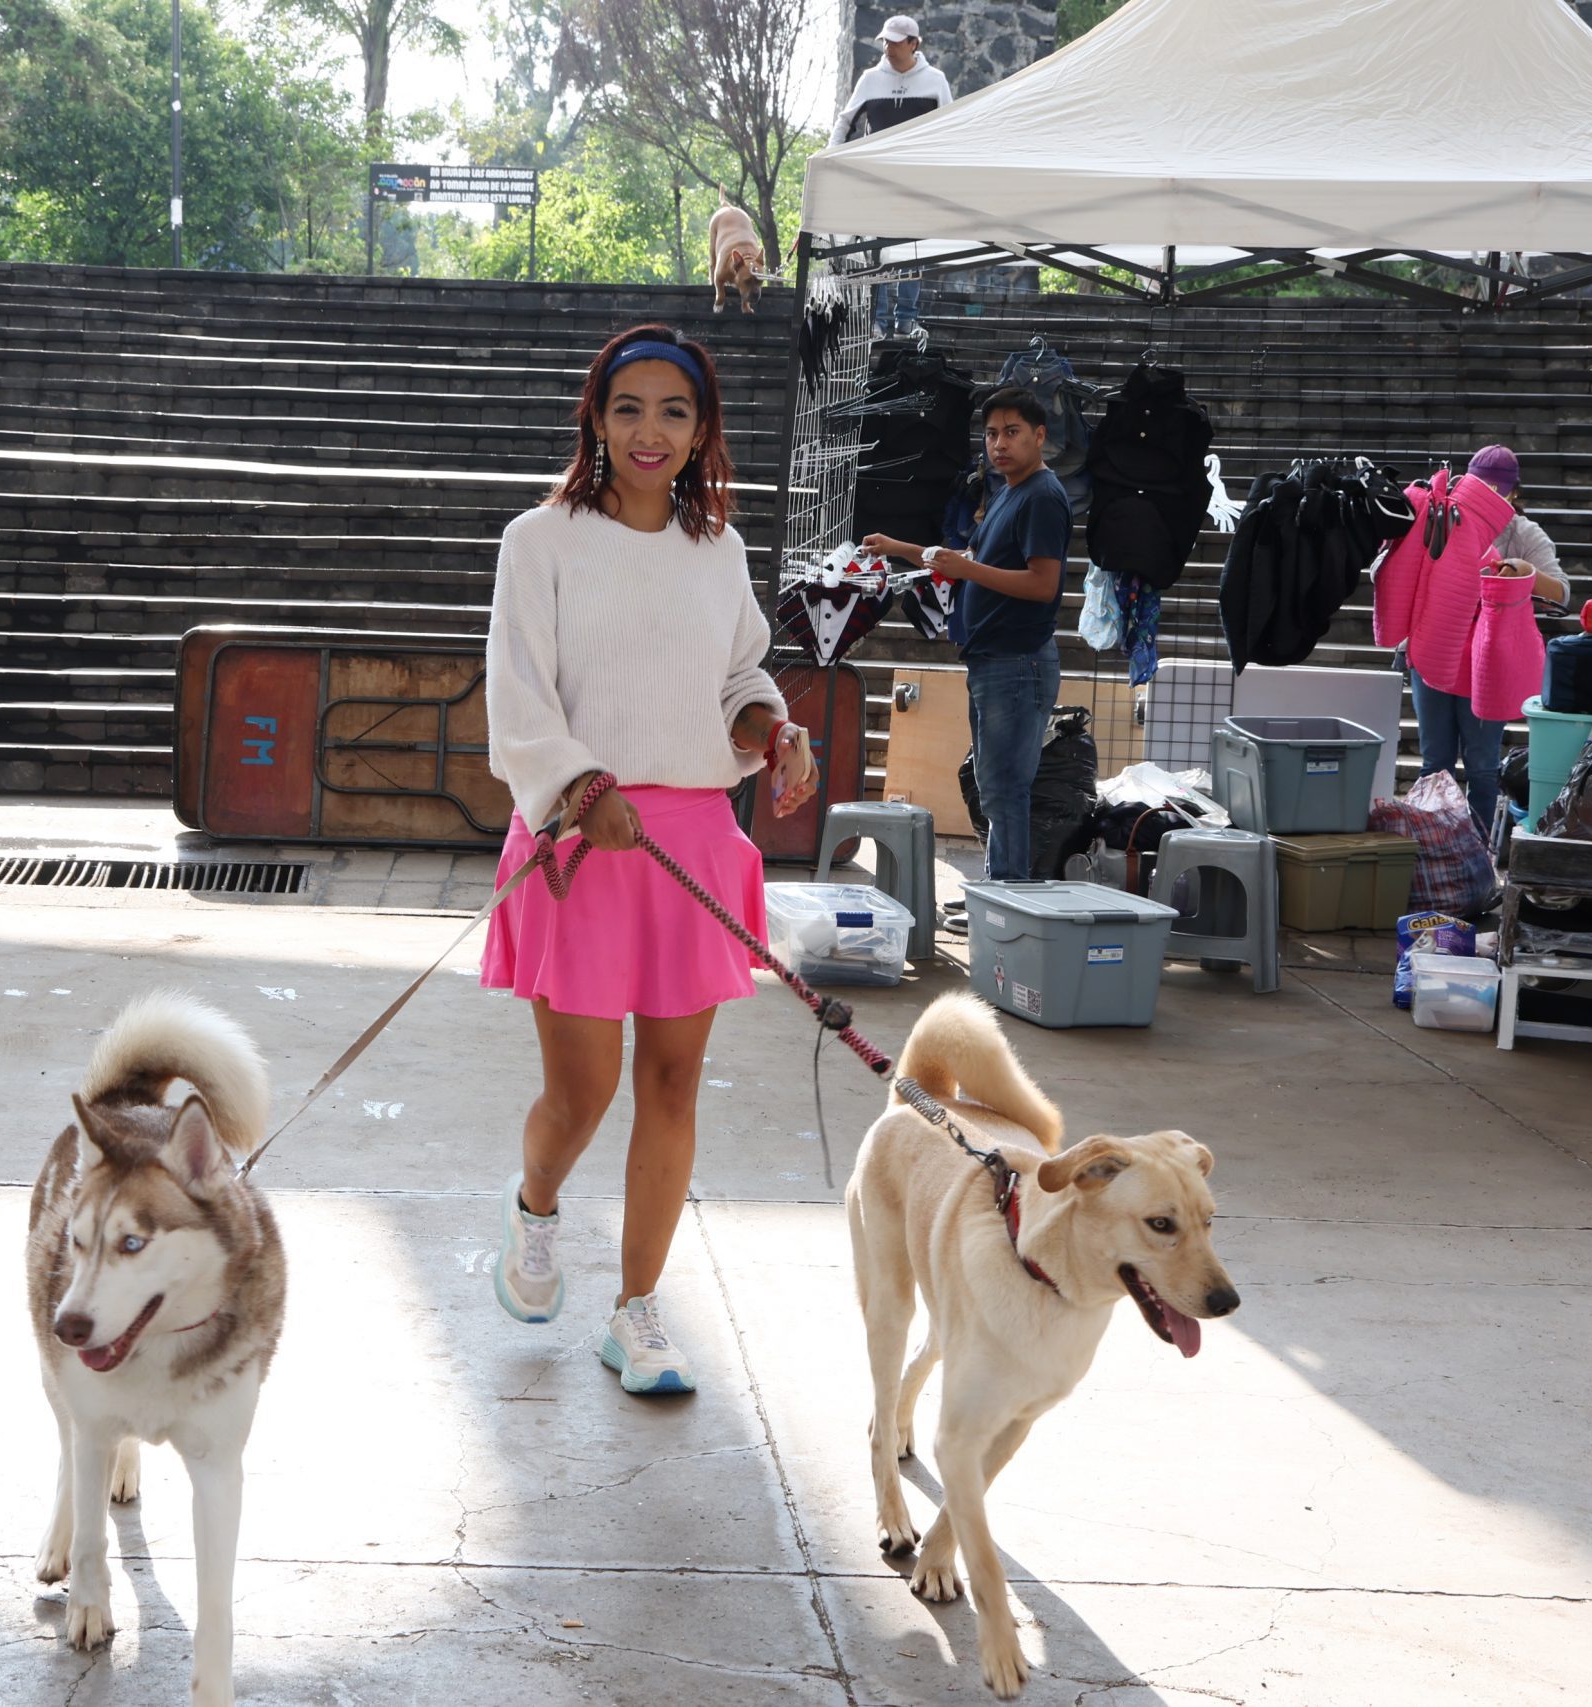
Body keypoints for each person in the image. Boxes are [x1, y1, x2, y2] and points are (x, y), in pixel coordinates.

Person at [482, 324, 818, 1397]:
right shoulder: (539, 542)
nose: (649, 431)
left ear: (702, 429)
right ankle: (535, 1213)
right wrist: (580, 789)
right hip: (581, 838)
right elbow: (518, 694)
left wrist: (773, 731)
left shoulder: (715, 550)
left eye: (674, 411)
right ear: (595, 415)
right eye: (628, 407)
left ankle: (637, 1313)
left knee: (671, 1086)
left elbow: (738, 677)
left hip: (689, 844)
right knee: (578, 1097)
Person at [865, 386, 1070, 880]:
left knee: (1005, 787)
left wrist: (967, 570)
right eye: (992, 434)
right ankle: (999, 888)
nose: (999, 444)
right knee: (993, 783)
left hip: (1017, 661)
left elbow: (1043, 585)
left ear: (1039, 436)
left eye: (1012, 433)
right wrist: (899, 547)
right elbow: (969, 561)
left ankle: (1008, 895)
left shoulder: (1042, 496)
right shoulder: (1008, 490)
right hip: (992, 660)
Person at [1407, 443, 1567, 829]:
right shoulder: (1440, 518)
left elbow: (1561, 593)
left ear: (1515, 493)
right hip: (1433, 651)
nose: (1490, 497)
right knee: (1435, 761)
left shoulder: (1524, 534)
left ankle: (1476, 851)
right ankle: (1435, 846)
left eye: (1499, 490)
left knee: (1482, 766)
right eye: (1482, 487)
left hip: (1487, 660)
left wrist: (1525, 572)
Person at [833, 15, 954, 338]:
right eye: (885, 41)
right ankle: (878, 321)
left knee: (911, 250)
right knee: (878, 249)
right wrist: (832, 159)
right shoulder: (870, 79)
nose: (888, 47)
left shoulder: (935, 80)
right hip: (875, 178)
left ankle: (907, 319)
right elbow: (846, 123)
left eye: (896, 41)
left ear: (914, 44)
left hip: (918, 180)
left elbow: (951, 129)